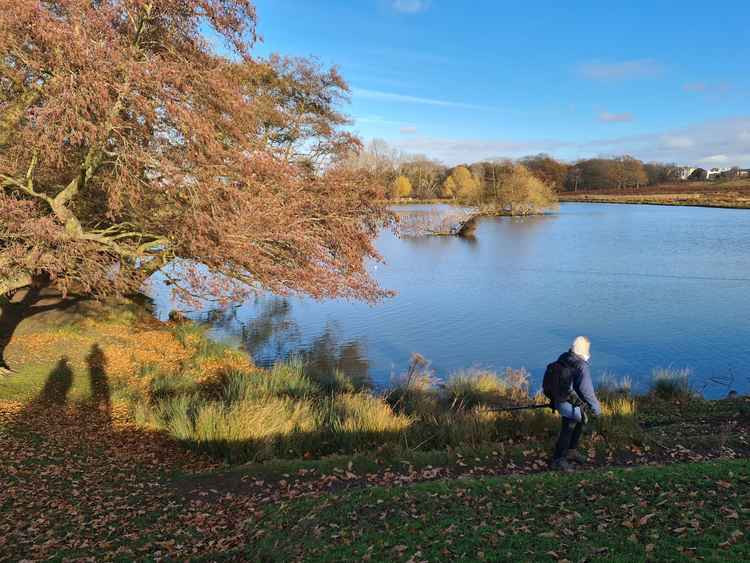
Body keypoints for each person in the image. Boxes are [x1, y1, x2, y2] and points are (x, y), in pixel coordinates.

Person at [549, 336, 602, 471]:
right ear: (583, 350)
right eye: (588, 349)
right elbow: (587, 391)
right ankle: (558, 460)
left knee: (579, 421)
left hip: (560, 398)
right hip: (569, 403)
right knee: (569, 427)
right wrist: (597, 409)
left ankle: (571, 451)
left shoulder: (564, 357)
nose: (589, 352)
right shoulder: (581, 365)